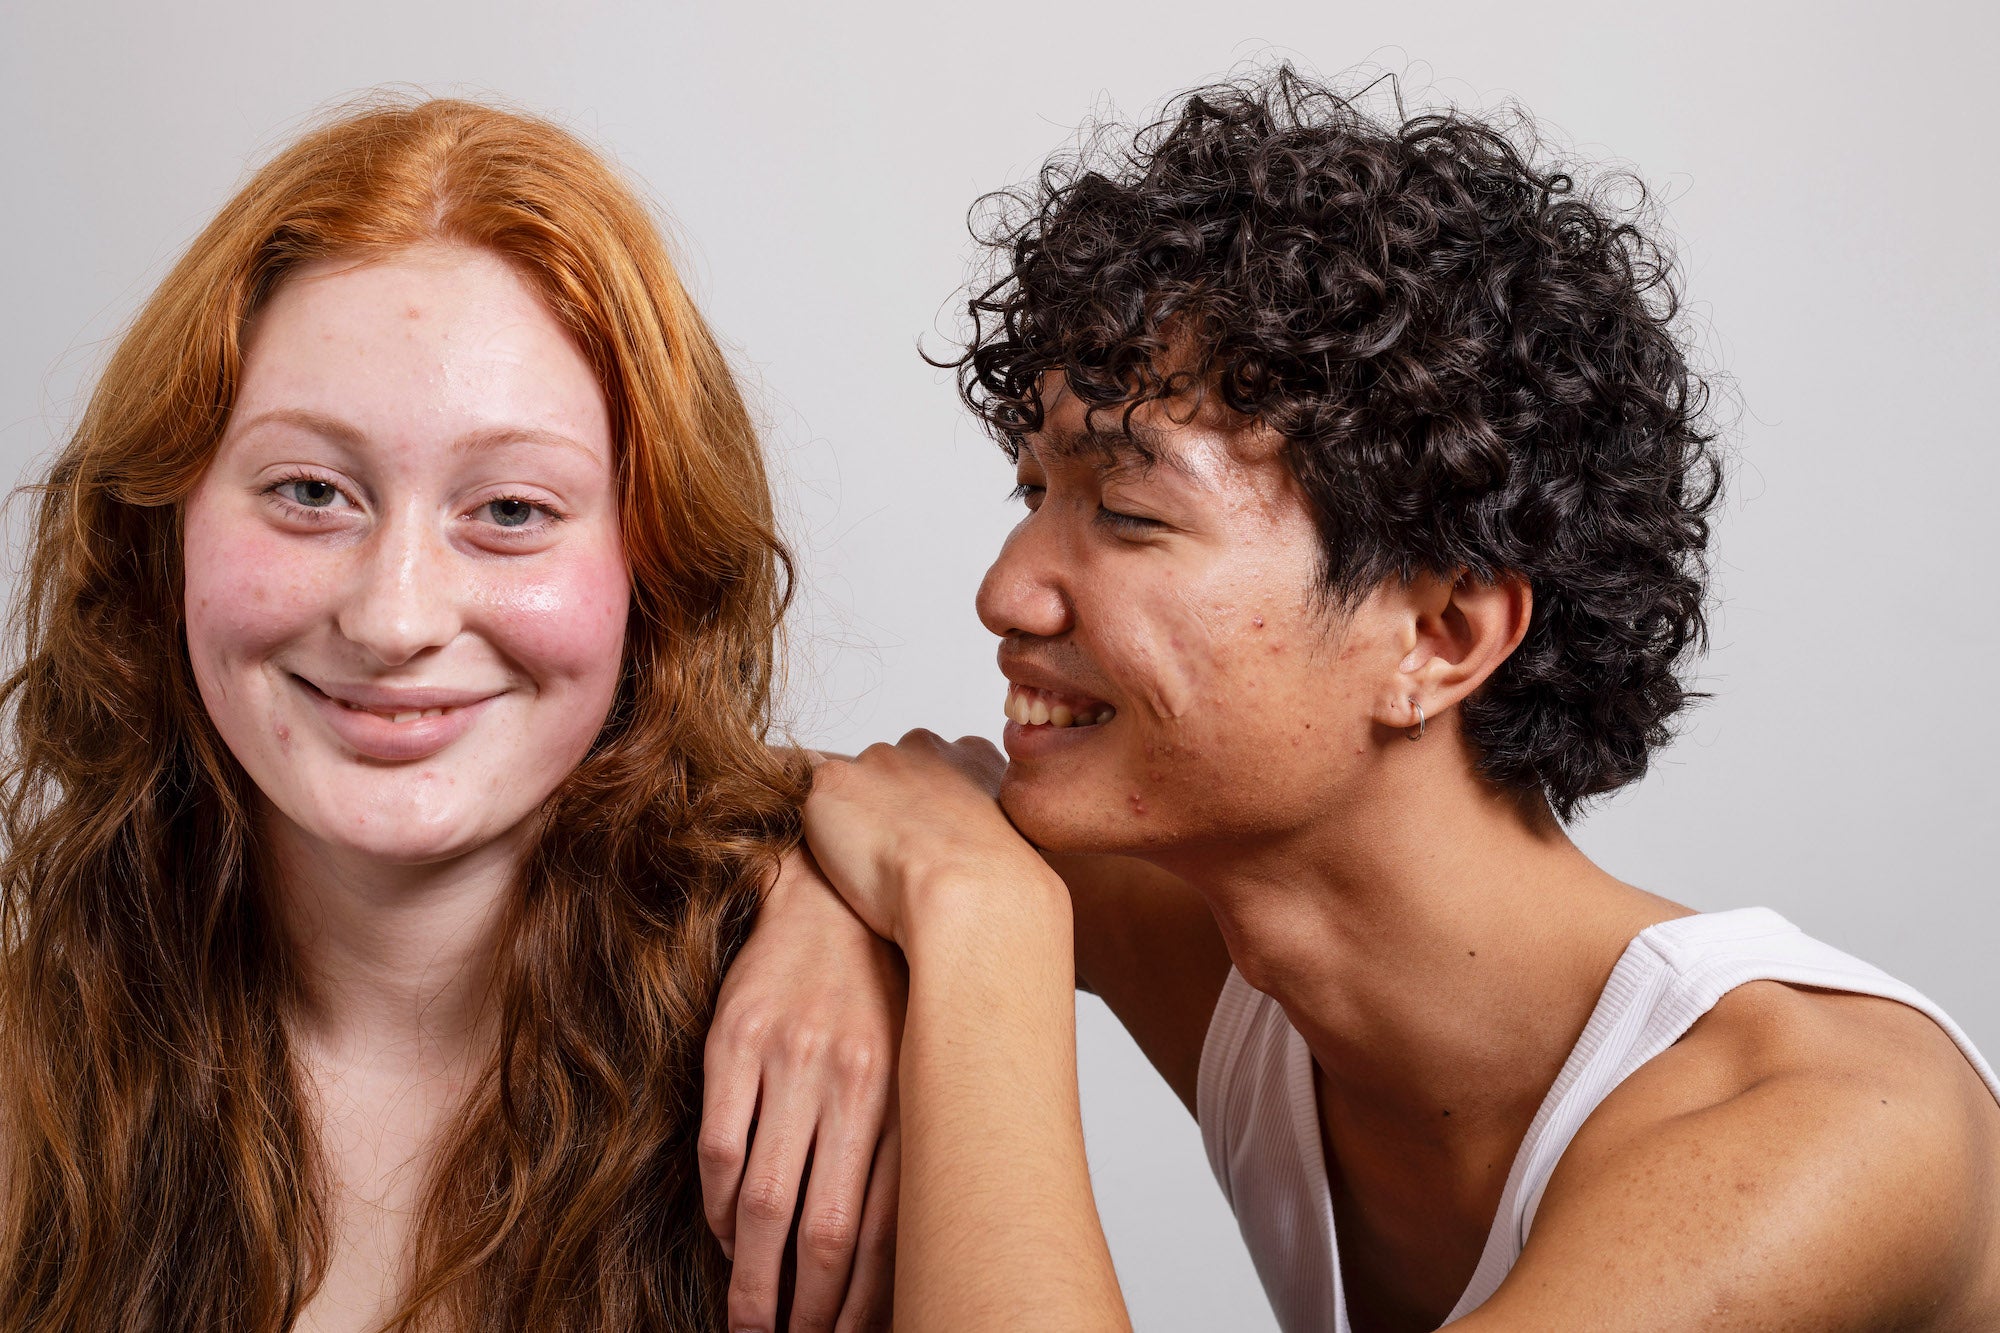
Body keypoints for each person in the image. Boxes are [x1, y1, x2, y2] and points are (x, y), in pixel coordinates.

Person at [791, 68, 2000, 1331]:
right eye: (1030, 494)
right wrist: (819, 915)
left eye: (1129, 515)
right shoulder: (1240, 936)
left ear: (1437, 634)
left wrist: (976, 935)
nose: (1006, 593)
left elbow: (940, 857)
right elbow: (764, 804)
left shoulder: (1820, 1129)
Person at [0, 98, 903, 1333]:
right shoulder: (28, 1084)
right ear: (164, 533)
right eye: (310, 490)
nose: (393, 617)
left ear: (653, 576)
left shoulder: (842, 1085)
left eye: (513, 510)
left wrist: (908, 925)